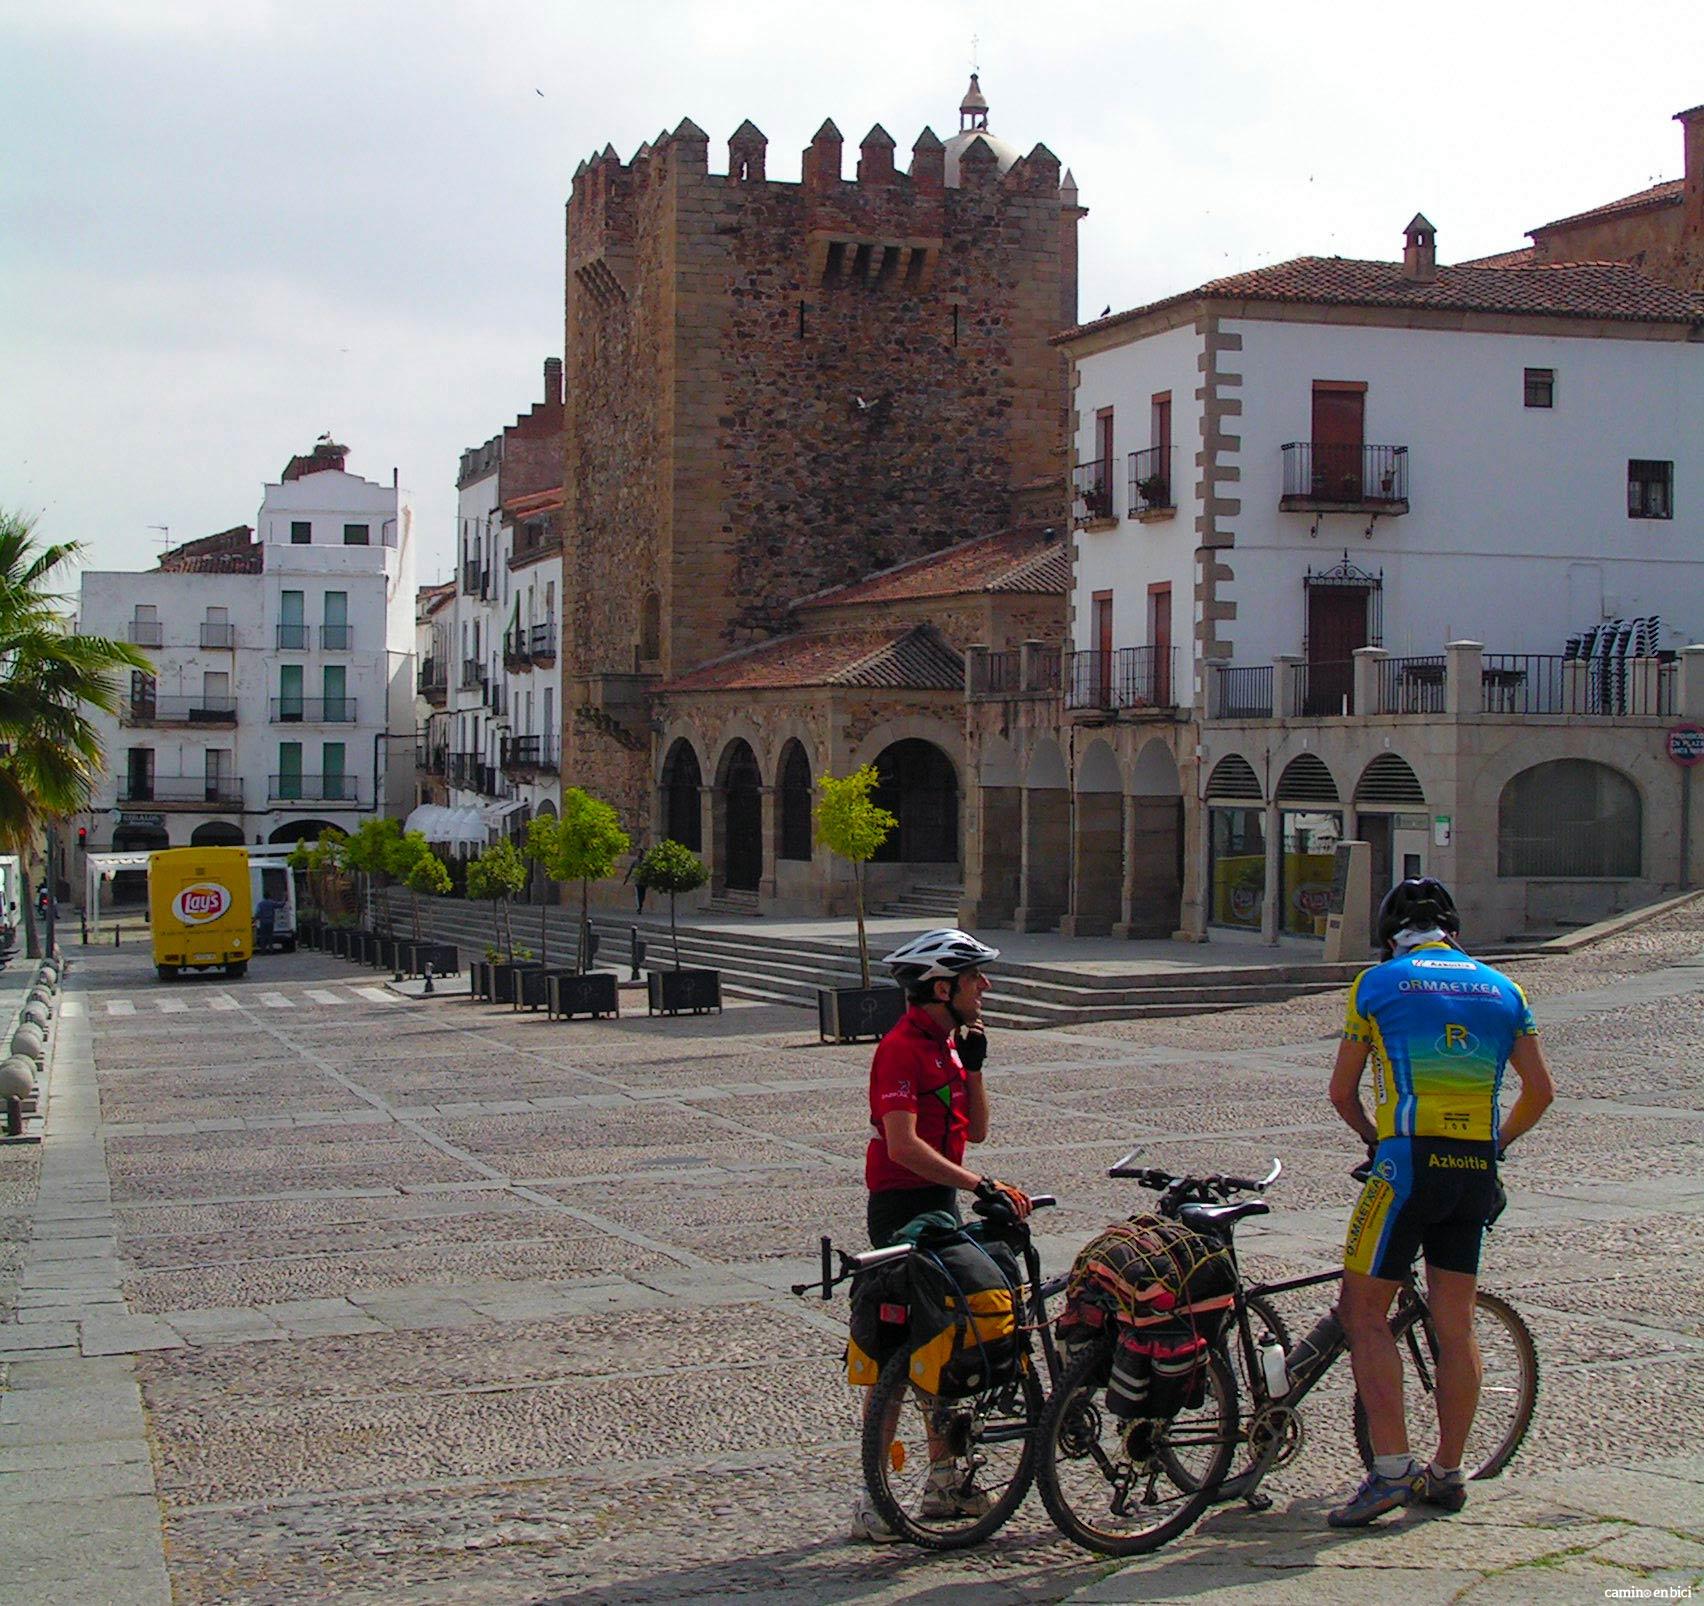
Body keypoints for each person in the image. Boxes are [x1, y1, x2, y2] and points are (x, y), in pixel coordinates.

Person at [1326, 878, 1553, 1528]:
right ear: (1452, 931)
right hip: (1473, 1167)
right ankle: (1448, 1472)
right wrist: (1496, 1145)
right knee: (1454, 1323)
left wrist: (1377, 1140)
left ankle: (1392, 1469)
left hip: (1407, 1165)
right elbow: (1540, 1090)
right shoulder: (1505, 989)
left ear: (1389, 936)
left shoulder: (1378, 983)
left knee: (1362, 1313)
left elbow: (1342, 1093)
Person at [849, 927, 1033, 1543]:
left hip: (941, 1205)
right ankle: (875, 1498)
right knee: (895, 1357)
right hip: (900, 1210)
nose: (985, 987)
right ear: (940, 987)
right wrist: (981, 1185)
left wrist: (976, 1070)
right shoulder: (899, 1049)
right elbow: (902, 1146)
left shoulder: (949, 1047)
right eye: (974, 977)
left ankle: (944, 1482)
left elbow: (975, 1131)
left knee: (949, 1346)